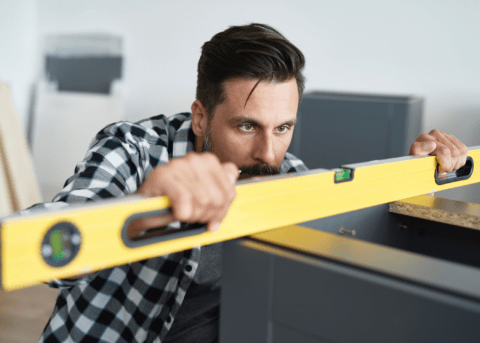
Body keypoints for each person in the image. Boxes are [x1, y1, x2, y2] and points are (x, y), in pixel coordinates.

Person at [33, 23, 468, 343]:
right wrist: (140, 213)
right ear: (201, 116)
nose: (267, 154)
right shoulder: (133, 148)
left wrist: (415, 180)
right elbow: (45, 250)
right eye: (246, 127)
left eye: (283, 128)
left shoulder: (291, 175)